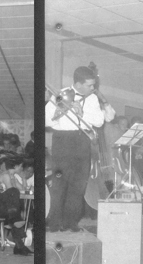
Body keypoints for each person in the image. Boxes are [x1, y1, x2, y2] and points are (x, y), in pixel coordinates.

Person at [47, 64, 115, 232]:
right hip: (63, 140)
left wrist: (82, 113)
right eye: (90, 85)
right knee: (60, 184)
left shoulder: (91, 98)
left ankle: (71, 222)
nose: (94, 88)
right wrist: (64, 110)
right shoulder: (59, 96)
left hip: (83, 140)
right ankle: (55, 223)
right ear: (77, 84)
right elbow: (48, 121)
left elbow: (99, 121)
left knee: (78, 185)